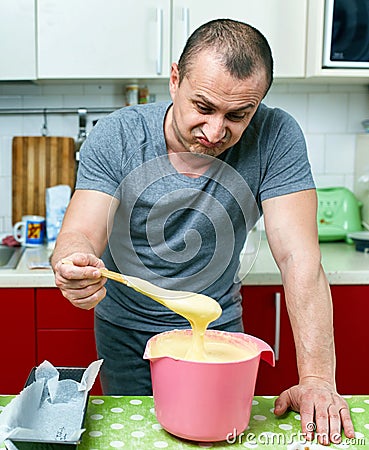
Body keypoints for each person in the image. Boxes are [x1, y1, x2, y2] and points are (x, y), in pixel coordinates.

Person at [51, 19, 354, 445]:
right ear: (175, 79)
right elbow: (82, 230)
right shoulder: (118, 134)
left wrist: (319, 378)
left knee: (217, 436)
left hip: (219, 332)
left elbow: (299, 258)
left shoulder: (276, 136)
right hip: (125, 332)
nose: (215, 132)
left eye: (238, 115)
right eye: (204, 107)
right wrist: (73, 262)